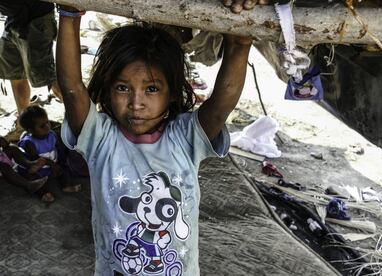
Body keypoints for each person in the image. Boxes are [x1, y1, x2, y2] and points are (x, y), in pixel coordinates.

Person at [56, 4, 252, 275]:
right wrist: (69, 16)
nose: (137, 103)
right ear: (108, 89)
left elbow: (220, 105)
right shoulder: (100, 139)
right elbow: (72, 87)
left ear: (172, 93)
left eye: (151, 89)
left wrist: (240, 45)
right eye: (123, 88)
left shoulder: (184, 138)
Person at [0, 0, 63, 116]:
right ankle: (24, 120)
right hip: (14, 20)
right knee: (15, 75)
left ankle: (80, 118)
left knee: (49, 77)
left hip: (36, 19)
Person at [17, 105, 81, 202]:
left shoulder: (52, 135)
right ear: (30, 130)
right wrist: (52, 165)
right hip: (36, 170)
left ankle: (66, 186)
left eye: (47, 122)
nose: (47, 127)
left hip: (50, 168)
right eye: (42, 126)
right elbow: (37, 160)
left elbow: (60, 149)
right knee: (33, 181)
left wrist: (61, 163)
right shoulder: (29, 143)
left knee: (64, 171)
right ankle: (43, 193)